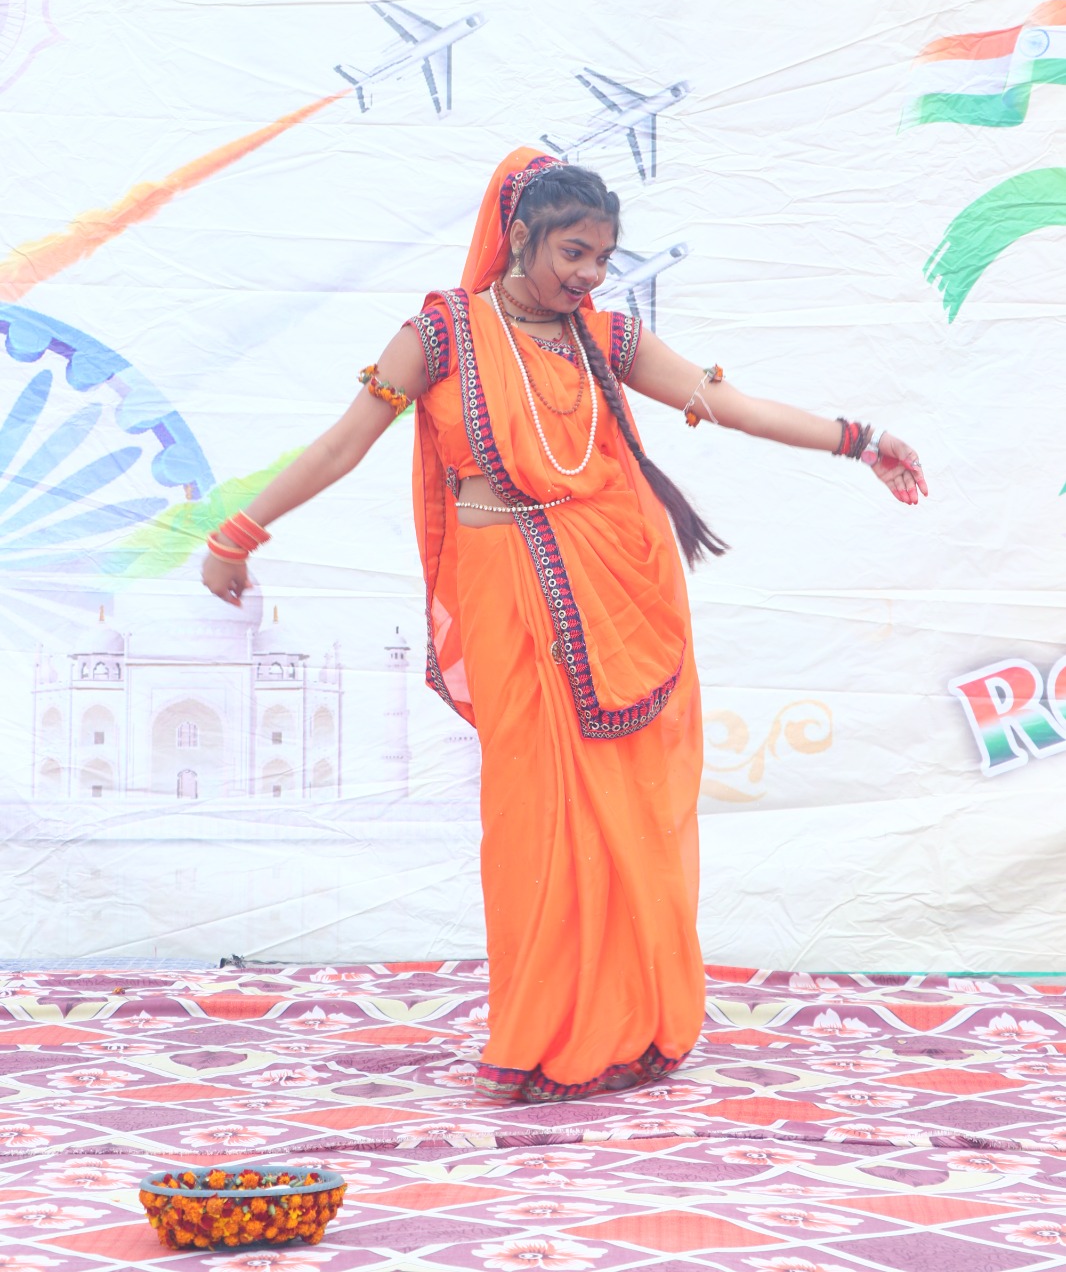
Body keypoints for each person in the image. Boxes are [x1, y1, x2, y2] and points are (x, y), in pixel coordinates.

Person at [202, 146, 927, 1103]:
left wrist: (860, 441)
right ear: (519, 236)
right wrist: (240, 531)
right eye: (571, 253)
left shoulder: (607, 338)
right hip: (506, 595)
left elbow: (731, 404)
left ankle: (625, 1032)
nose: (587, 274)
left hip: (616, 587)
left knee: (627, 815)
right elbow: (342, 445)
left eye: (602, 258)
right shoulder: (440, 333)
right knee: (534, 820)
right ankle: (544, 1036)